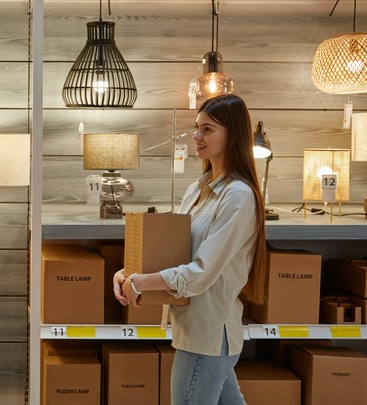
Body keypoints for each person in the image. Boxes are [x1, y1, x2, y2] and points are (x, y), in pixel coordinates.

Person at [113, 94, 267, 405]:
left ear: (233, 135)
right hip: (195, 331)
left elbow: (200, 272)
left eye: (208, 129)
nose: (196, 137)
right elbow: (176, 254)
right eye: (196, 128)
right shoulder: (197, 189)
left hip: (207, 336)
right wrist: (130, 273)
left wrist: (140, 282)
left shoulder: (237, 196)